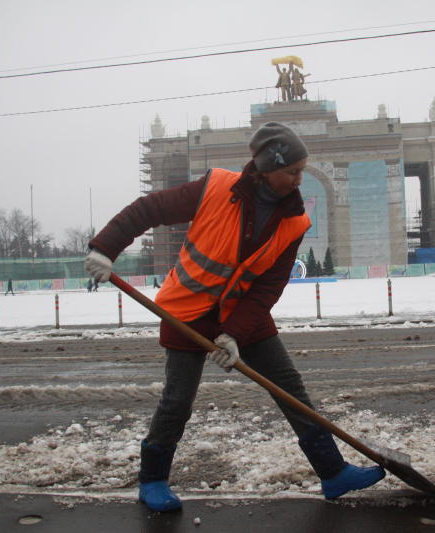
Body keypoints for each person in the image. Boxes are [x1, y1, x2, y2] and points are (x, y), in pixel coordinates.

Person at [85, 122, 384, 513]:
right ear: (263, 169)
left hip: (244, 313)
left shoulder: (295, 220)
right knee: (177, 401)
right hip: (187, 312)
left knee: (290, 388)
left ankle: (332, 472)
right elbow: (151, 208)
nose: (299, 180)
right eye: (291, 171)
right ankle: (153, 480)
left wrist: (234, 334)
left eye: (301, 170)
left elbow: (267, 287)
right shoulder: (215, 187)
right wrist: (106, 248)